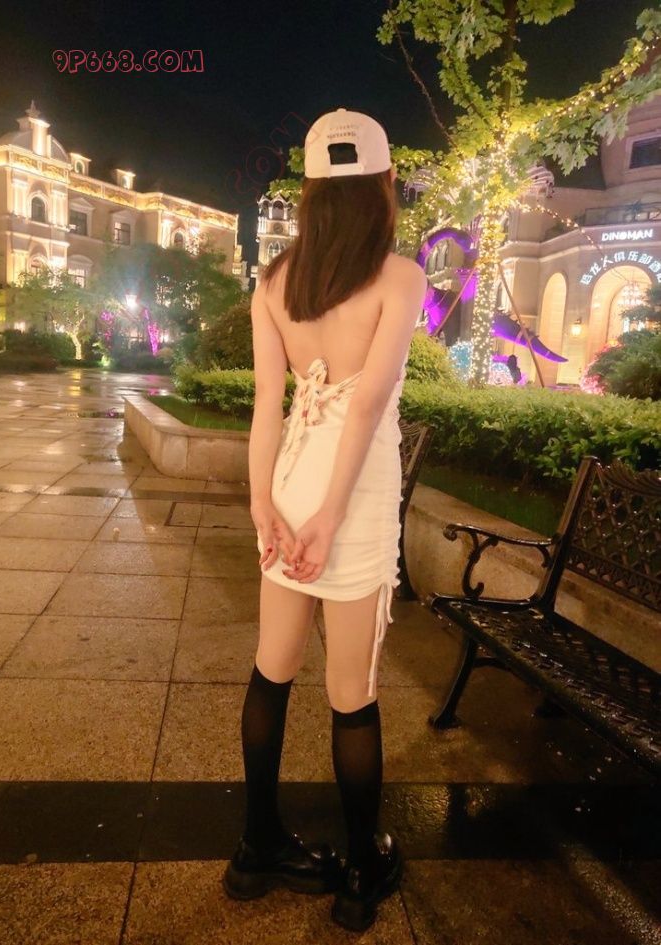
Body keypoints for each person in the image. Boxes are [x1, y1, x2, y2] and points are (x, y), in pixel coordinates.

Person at [222, 107, 427, 933]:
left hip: (289, 486)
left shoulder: (274, 283)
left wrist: (262, 504)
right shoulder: (400, 278)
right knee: (352, 693)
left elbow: (267, 404)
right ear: (384, 184)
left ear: (307, 193)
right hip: (355, 495)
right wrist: (332, 517)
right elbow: (367, 406)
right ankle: (361, 873)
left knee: (271, 671)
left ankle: (256, 849)